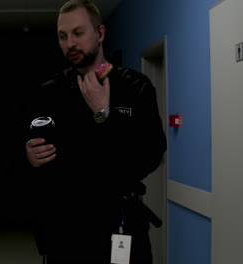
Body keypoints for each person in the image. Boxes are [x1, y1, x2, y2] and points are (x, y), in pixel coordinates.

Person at [22, 0, 167, 263]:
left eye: (78, 33)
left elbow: (151, 155)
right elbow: (33, 152)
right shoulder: (49, 91)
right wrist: (30, 156)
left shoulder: (135, 87)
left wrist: (104, 113)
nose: (70, 44)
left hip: (120, 222)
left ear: (99, 34)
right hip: (66, 227)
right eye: (63, 36)